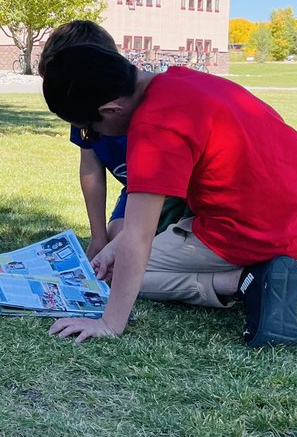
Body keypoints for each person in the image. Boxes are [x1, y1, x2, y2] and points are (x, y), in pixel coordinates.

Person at [42, 41, 297, 346]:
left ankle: (246, 281)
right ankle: (293, 267)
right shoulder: (184, 80)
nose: (92, 138)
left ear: (111, 109)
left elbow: (138, 238)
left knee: (126, 278)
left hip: (256, 229)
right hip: (292, 211)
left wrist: (110, 322)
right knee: (124, 257)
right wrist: (114, 248)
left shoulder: (155, 125)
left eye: (89, 129)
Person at [38, 20, 189, 258]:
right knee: (119, 235)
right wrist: (98, 236)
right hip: (135, 191)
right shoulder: (84, 106)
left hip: (177, 195)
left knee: (135, 252)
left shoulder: (139, 107)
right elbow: (90, 167)